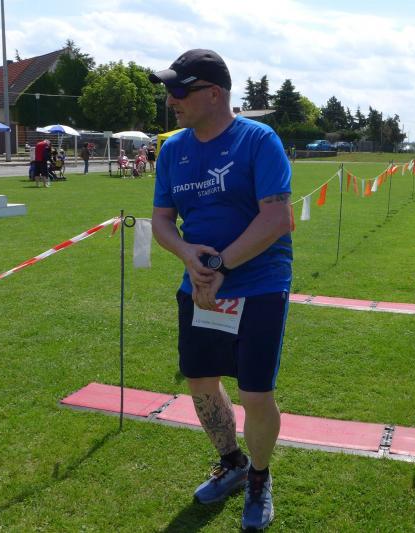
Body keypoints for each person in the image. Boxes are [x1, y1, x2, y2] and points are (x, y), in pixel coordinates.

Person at [150, 49, 292, 531]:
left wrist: (221, 264)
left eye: (179, 90)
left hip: (258, 285)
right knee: (200, 381)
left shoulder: (258, 140)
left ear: (214, 94)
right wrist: (187, 255)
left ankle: (259, 478)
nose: (171, 100)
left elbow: (277, 218)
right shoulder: (173, 150)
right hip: (200, 286)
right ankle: (232, 463)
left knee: (255, 392)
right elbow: (162, 221)